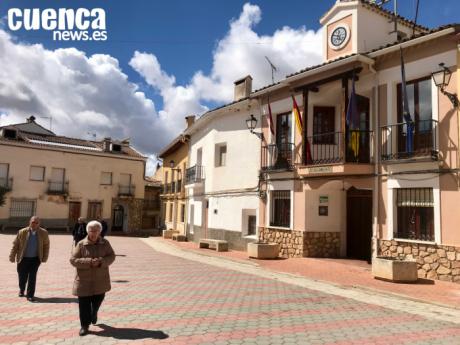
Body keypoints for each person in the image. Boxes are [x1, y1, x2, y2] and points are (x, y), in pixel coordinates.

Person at [70, 220, 115, 336]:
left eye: (96, 231)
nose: (93, 233)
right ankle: (84, 326)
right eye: (91, 231)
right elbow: (73, 260)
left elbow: (111, 256)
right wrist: (89, 262)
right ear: (87, 231)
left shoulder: (105, 243)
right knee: (83, 304)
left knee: (98, 299)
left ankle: (94, 312)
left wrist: (101, 261)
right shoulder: (81, 244)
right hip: (84, 280)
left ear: (100, 231)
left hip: (101, 279)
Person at [9, 216, 50, 302]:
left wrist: (45, 257)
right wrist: (12, 256)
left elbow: (46, 246)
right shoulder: (22, 232)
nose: (34, 224)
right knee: (22, 276)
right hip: (22, 258)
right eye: (33, 222)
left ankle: (30, 295)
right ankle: (22, 289)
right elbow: (15, 245)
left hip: (35, 259)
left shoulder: (43, 233)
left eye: (36, 222)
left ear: (39, 224)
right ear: (29, 222)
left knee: (32, 277)